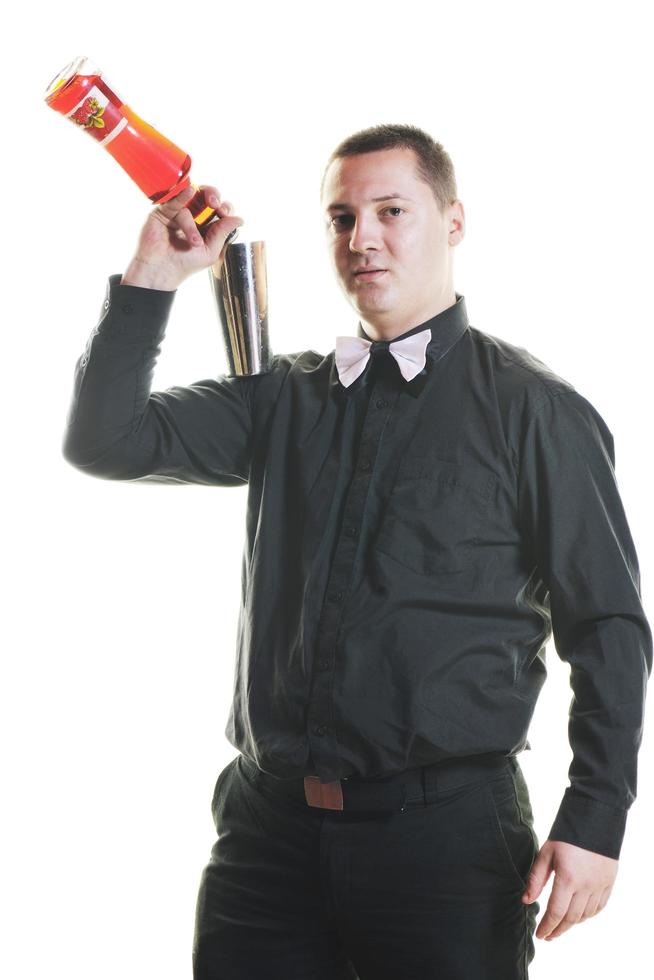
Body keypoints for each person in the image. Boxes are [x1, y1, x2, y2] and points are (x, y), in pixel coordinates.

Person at [62, 124, 652, 980]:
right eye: (341, 217)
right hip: (266, 842)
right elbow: (104, 439)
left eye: (390, 211)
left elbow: (607, 626)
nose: (361, 238)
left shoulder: (537, 411)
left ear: (453, 223)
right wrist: (155, 274)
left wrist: (596, 819)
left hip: (446, 845)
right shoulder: (284, 399)